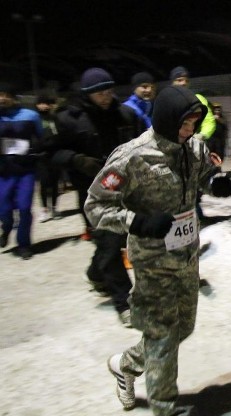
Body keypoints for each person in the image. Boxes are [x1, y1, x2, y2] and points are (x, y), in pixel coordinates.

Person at [84, 85, 231, 416]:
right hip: (152, 259)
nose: (190, 130)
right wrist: (134, 221)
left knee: (181, 328)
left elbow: (202, 176)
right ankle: (166, 414)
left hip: (186, 255)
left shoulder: (194, 147)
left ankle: (126, 363)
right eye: (185, 123)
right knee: (164, 334)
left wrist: (216, 184)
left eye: (195, 123)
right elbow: (94, 206)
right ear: (167, 120)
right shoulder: (131, 156)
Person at [51, 67, 145, 326]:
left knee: (112, 243)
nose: (106, 96)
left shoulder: (124, 115)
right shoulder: (69, 119)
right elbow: (51, 153)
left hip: (124, 188)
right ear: (87, 94)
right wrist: (77, 160)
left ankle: (95, 274)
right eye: (99, 92)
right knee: (112, 245)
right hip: (93, 193)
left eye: (109, 90)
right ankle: (124, 303)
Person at [0, 82, 43, 259]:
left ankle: (23, 244)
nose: (2, 99)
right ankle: (7, 227)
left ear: (13, 97)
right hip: (2, 171)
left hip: (26, 169)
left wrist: (36, 153)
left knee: (25, 208)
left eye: (5, 95)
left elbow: (41, 138)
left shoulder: (30, 115)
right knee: (3, 208)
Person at [170, 66, 216, 220]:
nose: (182, 83)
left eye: (185, 80)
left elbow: (209, 121)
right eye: (178, 80)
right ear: (172, 83)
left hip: (192, 151)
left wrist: (201, 136)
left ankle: (195, 215)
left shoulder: (198, 99)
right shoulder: (167, 100)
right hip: (172, 150)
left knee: (193, 185)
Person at [34, 94, 62, 222]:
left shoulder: (55, 118)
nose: (44, 106)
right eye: (41, 103)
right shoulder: (35, 119)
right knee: (44, 183)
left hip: (55, 154)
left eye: (47, 103)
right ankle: (44, 209)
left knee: (55, 182)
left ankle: (54, 208)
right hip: (41, 156)